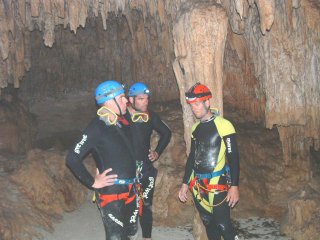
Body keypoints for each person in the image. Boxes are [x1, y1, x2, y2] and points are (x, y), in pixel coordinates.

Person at [66, 80, 139, 240]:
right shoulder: (97, 127)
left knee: (131, 232)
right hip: (112, 192)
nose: (126, 100)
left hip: (131, 188)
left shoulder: (121, 120)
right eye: (121, 97)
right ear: (108, 101)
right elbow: (72, 158)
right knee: (115, 236)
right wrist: (93, 182)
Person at [178, 82, 240, 240]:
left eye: (197, 104)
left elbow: (234, 159)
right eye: (192, 105)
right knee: (208, 223)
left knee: (223, 225)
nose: (194, 108)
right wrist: (185, 183)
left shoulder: (224, 125)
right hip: (198, 185)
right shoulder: (195, 129)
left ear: (207, 102)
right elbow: (192, 157)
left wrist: (234, 186)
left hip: (217, 184)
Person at [126, 82, 171, 240]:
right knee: (127, 206)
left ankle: (147, 237)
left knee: (145, 205)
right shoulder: (120, 116)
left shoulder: (150, 116)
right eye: (141, 99)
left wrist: (157, 152)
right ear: (131, 100)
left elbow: (166, 133)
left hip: (145, 168)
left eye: (147, 99)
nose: (145, 102)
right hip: (125, 168)